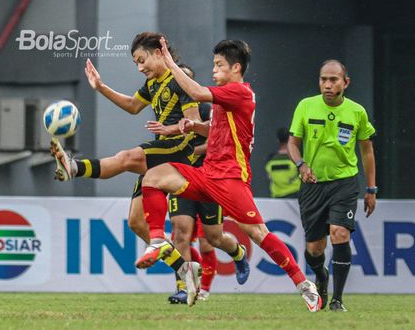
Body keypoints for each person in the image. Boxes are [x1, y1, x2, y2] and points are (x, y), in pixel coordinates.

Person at [50, 33, 247, 306]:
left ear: (158, 53)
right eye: (136, 63)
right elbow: (133, 106)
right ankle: (184, 270)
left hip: (180, 152)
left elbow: (193, 123)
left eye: (142, 60)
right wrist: (101, 87)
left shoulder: (179, 82)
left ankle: (73, 167)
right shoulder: (152, 83)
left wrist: (176, 129)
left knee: (128, 158)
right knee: (135, 222)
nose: (140, 67)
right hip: (161, 151)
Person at [137, 37, 322, 311]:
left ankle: (303, 284)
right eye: (213, 64)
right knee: (153, 177)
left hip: (231, 178)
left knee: (259, 233)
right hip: (208, 174)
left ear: (236, 68)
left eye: (219, 65)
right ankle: (156, 240)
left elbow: (198, 93)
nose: (214, 69)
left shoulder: (241, 93)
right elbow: (214, 130)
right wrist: (188, 127)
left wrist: (169, 63)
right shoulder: (225, 100)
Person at [287, 59, 377, 312]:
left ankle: (337, 299)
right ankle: (321, 275)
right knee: (314, 249)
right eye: (323, 79)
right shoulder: (305, 106)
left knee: (340, 234)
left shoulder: (356, 112)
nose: (327, 84)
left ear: (345, 83)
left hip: (345, 183)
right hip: (312, 185)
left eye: (333, 79)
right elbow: (293, 143)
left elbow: (367, 152)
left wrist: (371, 189)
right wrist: (301, 165)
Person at [154, 65, 245, 305]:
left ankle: (237, 253)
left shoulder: (206, 108)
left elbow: (219, 140)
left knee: (212, 239)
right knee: (180, 234)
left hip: (208, 179)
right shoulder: (166, 113)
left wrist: (191, 148)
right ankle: (185, 288)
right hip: (181, 179)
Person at [264, 127, 300, 198]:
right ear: (290, 139)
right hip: (295, 197)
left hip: (277, 198)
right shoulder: (297, 158)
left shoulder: (270, 161)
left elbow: (269, 177)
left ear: (278, 140)